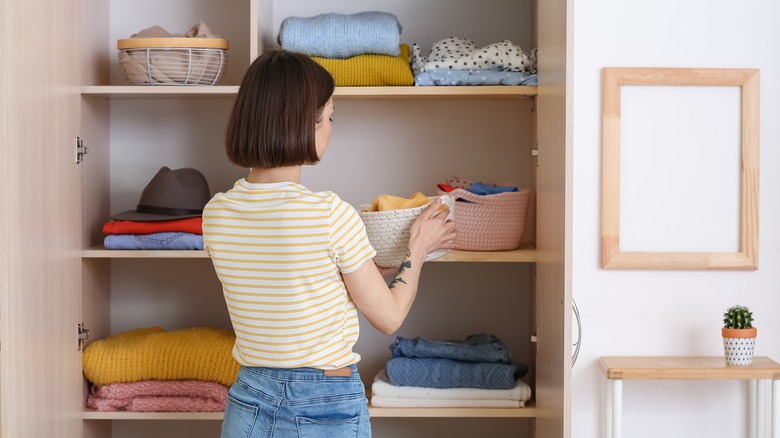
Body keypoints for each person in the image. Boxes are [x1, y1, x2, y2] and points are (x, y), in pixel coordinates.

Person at [202, 49, 456, 438]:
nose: (331, 128)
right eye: (330, 116)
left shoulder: (215, 214)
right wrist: (417, 249)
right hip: (326, 403)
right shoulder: (329, 213)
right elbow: (388, 318)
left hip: (248, 401)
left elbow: (291, 295)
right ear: (307, 123)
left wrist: (359, 277)